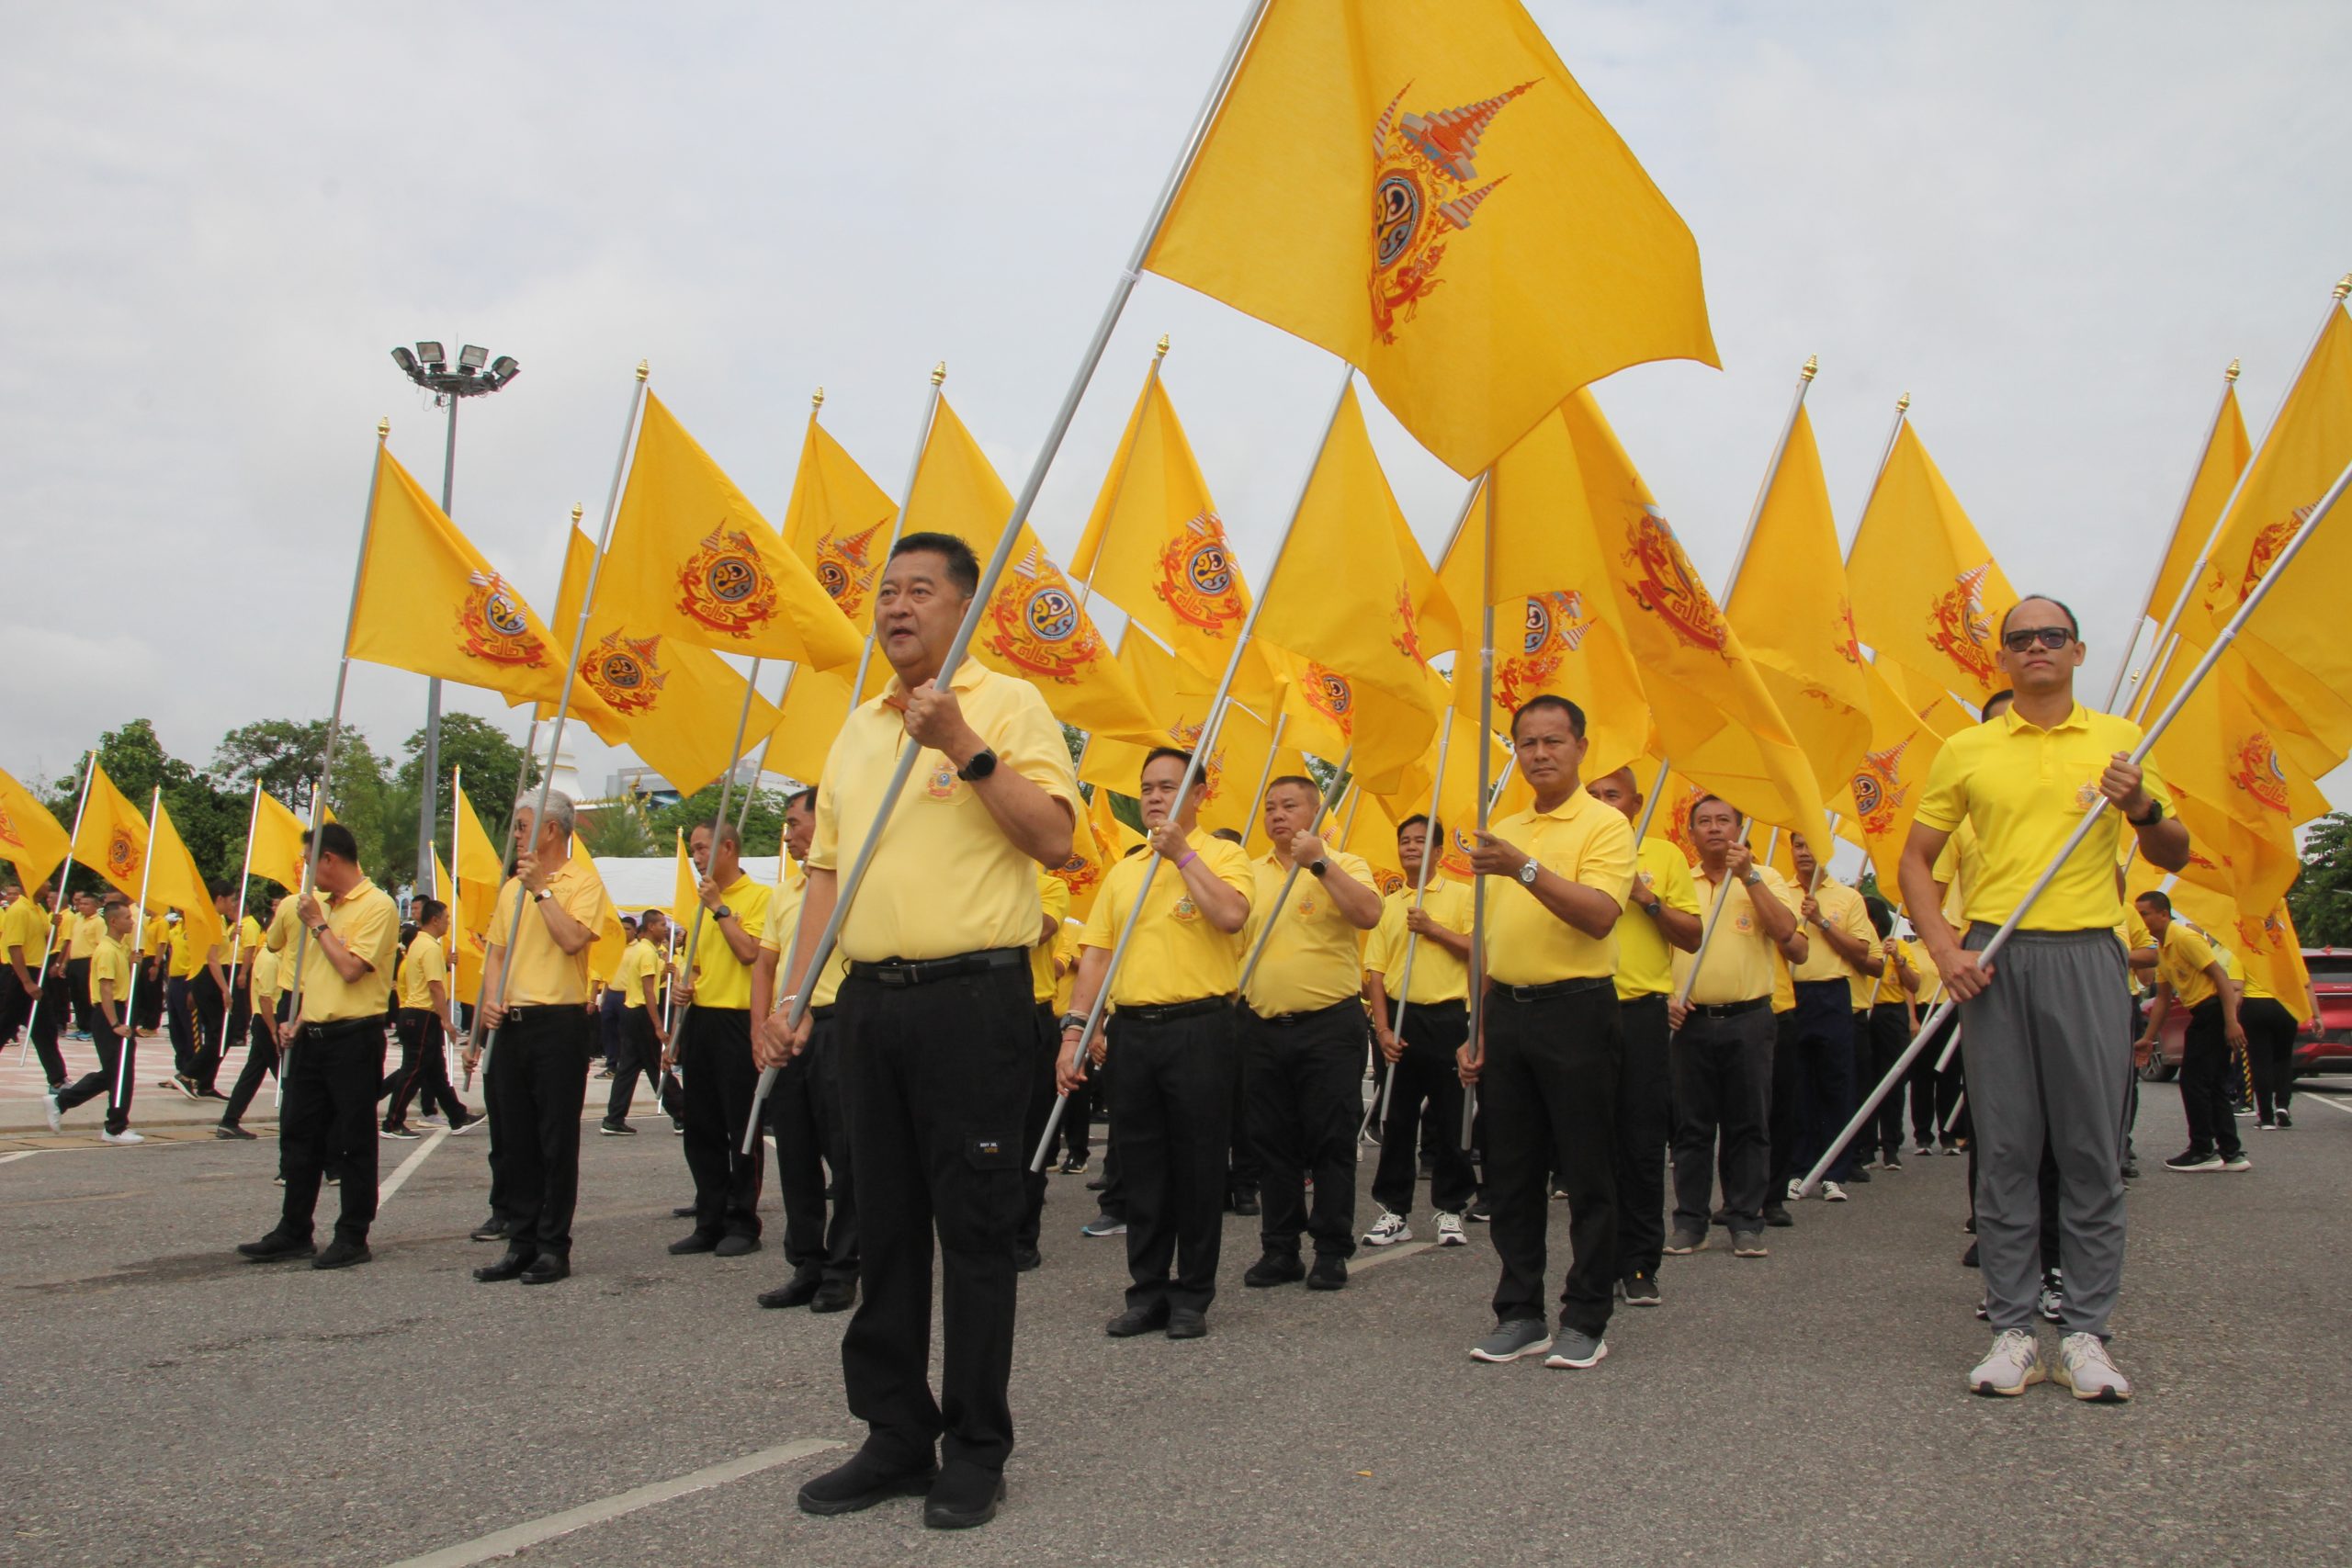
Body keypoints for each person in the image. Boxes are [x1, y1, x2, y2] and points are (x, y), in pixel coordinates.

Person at [759, 532, 1079, 1530]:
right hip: (871, 1007)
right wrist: (797, 994)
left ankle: (975, 1446)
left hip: (974, 1003)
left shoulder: (1007, 704)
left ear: (963, 608)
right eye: (885, 592)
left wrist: (961, 747)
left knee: (974, 1231)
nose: (896, 606)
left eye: (919, 591)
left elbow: (1055, 839)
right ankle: (895, 1434)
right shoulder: (856, 729)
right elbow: (826, 876)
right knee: (884, 1226)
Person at [1903, 594, 2188, 1403]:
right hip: (1996, 956)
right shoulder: (1966, 748)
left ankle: (2088, 1331)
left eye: (2051, 637)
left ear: (2077, 651)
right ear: (2002, 658)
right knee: (2006, 1148)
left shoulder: (2121, 740)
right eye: (2021, 638)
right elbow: (1916, 860)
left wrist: (2140, 804)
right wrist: (1944, 948)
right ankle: (2016, 1328)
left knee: (2092, 1146)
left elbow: (2174, 847)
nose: (2037, 647)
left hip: (2087, 953)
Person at [1459, 696, 1636, 1369]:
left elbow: (1598, 915)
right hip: (1509, 1010)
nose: (1539, 753)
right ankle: (1519, 1310)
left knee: (1588, 1169)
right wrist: (1476, 1026)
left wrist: (1524, 867)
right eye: (1526, 742)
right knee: (1511, 1170)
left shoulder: (1605, 824)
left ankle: (1586, 1314)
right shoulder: (1503, 827)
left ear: (1581, 746)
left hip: (1578, 1011)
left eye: (1553, 740)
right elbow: (1487, 937)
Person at [1059, 747, 1253, 1340]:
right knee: (1141, 1168)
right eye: (1146, 787)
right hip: (1134, 1032)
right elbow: (1095, 955)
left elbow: (1231, 914)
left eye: (1167, 786)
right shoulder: (1124, 869)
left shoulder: (1224, 855)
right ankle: (1147, 1290)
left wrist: (1183, 854)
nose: (1153, 797)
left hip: (1200, 1026)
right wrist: (1075, 1030)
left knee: (1196, 1166)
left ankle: (1192, 1293)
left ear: (1199, 794)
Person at [1237, 774, 1384, 1293]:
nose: (1278, 814)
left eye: (1290, 805)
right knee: (1271, 1143)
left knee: (1330, 1141)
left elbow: (1369, 913)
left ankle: (1330, 1249)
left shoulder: (1344, 864)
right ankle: (1280, 1249)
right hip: (1262, 1025)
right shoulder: (1247, 873)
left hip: (1329, 1026)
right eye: (1270, 807)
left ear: (1315, 812)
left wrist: (1320, 863)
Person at [234, 825, 401, 1267]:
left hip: (355, 1037)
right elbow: (316, 978)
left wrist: (319, 925)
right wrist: (299, 1021)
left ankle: (352, 1235)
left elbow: (349, 969)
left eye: (310, 863)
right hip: (313, 1035)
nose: (306, 874)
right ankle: (293, 1229)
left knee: (353, 1139)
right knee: (299, 1134)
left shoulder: (377, 906)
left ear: (330, 859)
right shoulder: (322, 907)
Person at [467, 791, 614, 1286]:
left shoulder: (583, 883)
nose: (517, 835)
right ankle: (520, 1241)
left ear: (551, 830)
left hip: (559, 1024)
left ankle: (554, 1246)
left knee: (555, 1139)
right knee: (516, 1140)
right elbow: (495, 953)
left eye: (524, 825)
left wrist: (542, 892)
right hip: (512, 1024)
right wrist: (491, 998)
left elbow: (573, 940)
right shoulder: (510, 890)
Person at [1586, 766, 1702, 1306]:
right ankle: (1594, 1262)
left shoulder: (1664, 856)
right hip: (1580, 1008)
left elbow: (1692, 935)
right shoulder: (1574, 851)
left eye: (1612, 795)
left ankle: (1638, 1264)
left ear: (1635, 804)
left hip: (1640, 1013)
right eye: (1593, 795)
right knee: (1588, 1146)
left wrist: (1643, 896)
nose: (1603, 802)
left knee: (1639, 1142)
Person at [752, 788, 858, 1313]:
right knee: (794, 1154)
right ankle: (806, 1264)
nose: (789, 833)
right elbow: (764, 966)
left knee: (848, 1155)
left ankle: (843, 1269)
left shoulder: (852, 883)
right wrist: (761, 1030)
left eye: (796, 822)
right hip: (788, 1031)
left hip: (838, 1027)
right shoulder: (783, 894)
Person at [1361, 811, 1479, 1253]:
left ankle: (1450, 1207)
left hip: (1448, 1017)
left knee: (1451, 1118)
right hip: (1402, 1017)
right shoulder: (1388, 904)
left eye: (1420, 841)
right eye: (1405, 841)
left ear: (1437, 851)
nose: (1411, 847)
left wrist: (1433, 929)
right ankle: (1394, 1210)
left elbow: (1478, 951)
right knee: (1396, 1117)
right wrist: (1384, 1028)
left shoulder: (1463, 896)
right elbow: (1375, 971)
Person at [670, 818, 772, 1259]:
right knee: (700, 1126)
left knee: (740, 1127)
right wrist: (684, 987)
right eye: (693, 849)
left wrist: (721, 909)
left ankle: (743, 1220)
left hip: (739, 1021)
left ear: (728, 848)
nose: (695, 857)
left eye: (701, 848)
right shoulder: (699, 905)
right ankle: (708, 1217)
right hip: (703, 1019)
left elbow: (750, 953)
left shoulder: (761, 897)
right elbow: (700, 966)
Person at [1784, 832, 1883, 1201]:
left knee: (1836, 1084)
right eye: (1797, 845)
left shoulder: (1849, 897)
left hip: (1832, 995)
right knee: (1796, 1085)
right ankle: (1797, 1168)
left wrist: (1822, 921)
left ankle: (1834, 1172)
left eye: (1811, 845)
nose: (1804, 852)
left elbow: (1863, 953)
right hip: (1792, 995)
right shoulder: (1779, 889)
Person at [2132, 891, 2249, 1174]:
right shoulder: (2164, 949)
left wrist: (2231, 1020)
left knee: (2194, 1082)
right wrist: (2149, 1037)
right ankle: (2230, 1151)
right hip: (2202, 1013)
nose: (2141, 920)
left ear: (2163, 913)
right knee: (2212, 1083)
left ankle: (2203, 1148)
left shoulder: (2184, 938)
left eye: (2145, 913)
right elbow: (2162, 999)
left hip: (2212, 1011)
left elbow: (2220, 976)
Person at [44, 897, 145, 1144]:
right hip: (109, 1015)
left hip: (120, 1010)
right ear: (113, 921)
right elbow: (106, 990)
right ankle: (113, 1127)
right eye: (127, 918)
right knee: (119, 1074)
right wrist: (115, 1024)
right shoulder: (106, 950)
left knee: (116, 1073)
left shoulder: (120, 948)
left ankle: (66, 1103)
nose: (131, 921)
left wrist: (136, 965)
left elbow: (124, 984)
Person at [1014, 865, 1072, 1272]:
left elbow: (1036, 930)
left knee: (1030, 1131)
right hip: (973, 1012)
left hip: (1029, 1013)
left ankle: (1021, 1235)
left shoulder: (1049, 884)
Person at [383, 899, 471, 1137]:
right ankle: (392, 1122)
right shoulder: (430, 946)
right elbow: (435, 987)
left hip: (416, 1014)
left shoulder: (419, 943)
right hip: (422, 1014)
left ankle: (457, 1115)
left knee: (435, 1072)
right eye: (446, 918)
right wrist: (447, 1021)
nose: (448, 923)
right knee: (413, 1071)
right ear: (435, 920)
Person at [218, 897, 288, 1139]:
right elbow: (266, 999)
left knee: (252, 1074)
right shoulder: (269, 958)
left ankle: (229, 1120)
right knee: (287, 1076)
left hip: (267, 1021)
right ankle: (298, 1124)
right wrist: (273, 1030)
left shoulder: (280, 957)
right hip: (268, 1020)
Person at [1860, 901, 1922, 1170]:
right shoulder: (1860, 946)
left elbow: (1914, 984)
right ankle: (1865, 1146)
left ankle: (1891, 1145)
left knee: (1892, 1080)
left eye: (1871, 918)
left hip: (1891, 1015)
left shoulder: (1897, 945)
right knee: (1865, 1081)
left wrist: (1899, 959)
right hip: (1864, 1012)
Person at [602, 908, 671, 1134]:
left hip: (632, 1011)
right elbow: (649, 992)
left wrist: (665, 974)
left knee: (628, 1068)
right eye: (661, 924)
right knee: (655, 1065)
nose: (665, 928)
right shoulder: (648, 952)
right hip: (641, 1013)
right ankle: (681, 1112)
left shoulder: (642, 950)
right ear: (650, 926)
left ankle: (614, 1118)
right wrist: (658, 1026)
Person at [2, 882, 67, 1089]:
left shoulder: (38, 909)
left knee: (44, 1029)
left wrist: (55, 926)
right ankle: (57, 1078)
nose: (49, 883)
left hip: (38, 972)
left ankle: (58, 1079)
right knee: (5, 1025)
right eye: (45, 880)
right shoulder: (18, 910)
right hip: (23, 973)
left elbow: (49, 942)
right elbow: (14, 948)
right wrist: (27, 982)